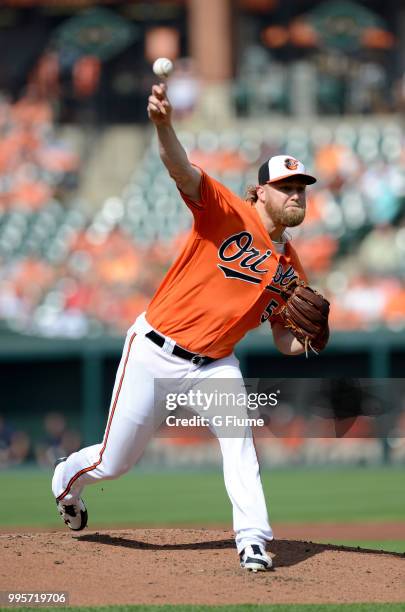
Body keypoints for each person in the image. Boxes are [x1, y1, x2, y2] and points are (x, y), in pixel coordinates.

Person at [52, 83, 323, 572]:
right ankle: (66, 479)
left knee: (239, 444)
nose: (296, 195)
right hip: (155, 349)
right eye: (286, 187)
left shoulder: (291, 268)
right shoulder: (225, 210)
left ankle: (253, 541)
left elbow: (283, 338)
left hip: (216, 365)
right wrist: (163, 125)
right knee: (114, 463)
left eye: (301, 188)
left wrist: (304, 340)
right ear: (259, 191)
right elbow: (182, 170)